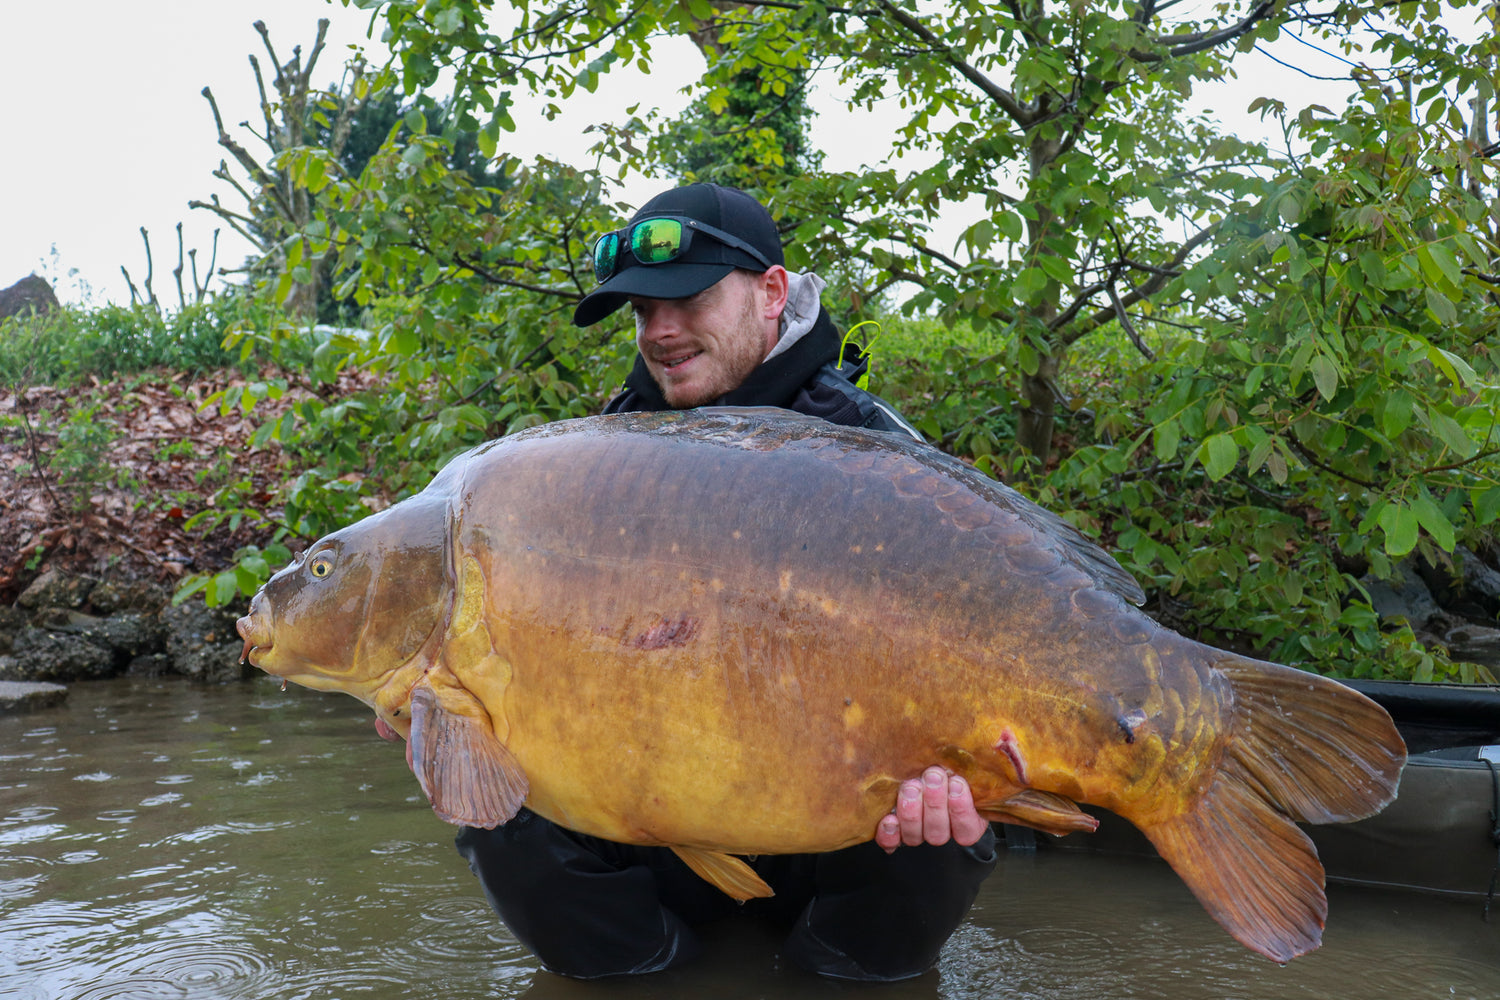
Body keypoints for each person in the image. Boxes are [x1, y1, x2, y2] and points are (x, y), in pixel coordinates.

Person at [454, 182, 998, 981]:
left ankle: (841, 978)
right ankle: (641, 978)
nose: (660, 331)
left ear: (771, 292)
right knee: (488, 801)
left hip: (845, 827)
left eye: (688, 299)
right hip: (658, 821)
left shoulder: (878, 452)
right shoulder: (602, 456)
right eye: (641, 310)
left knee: (955, 817)